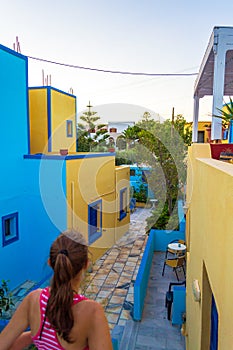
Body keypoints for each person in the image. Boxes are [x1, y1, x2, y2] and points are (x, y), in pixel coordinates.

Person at [0, 229, 113, 350]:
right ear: (86, 264)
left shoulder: (33, 300)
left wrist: (35, 334)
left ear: (50, 263)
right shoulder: (92, 312)